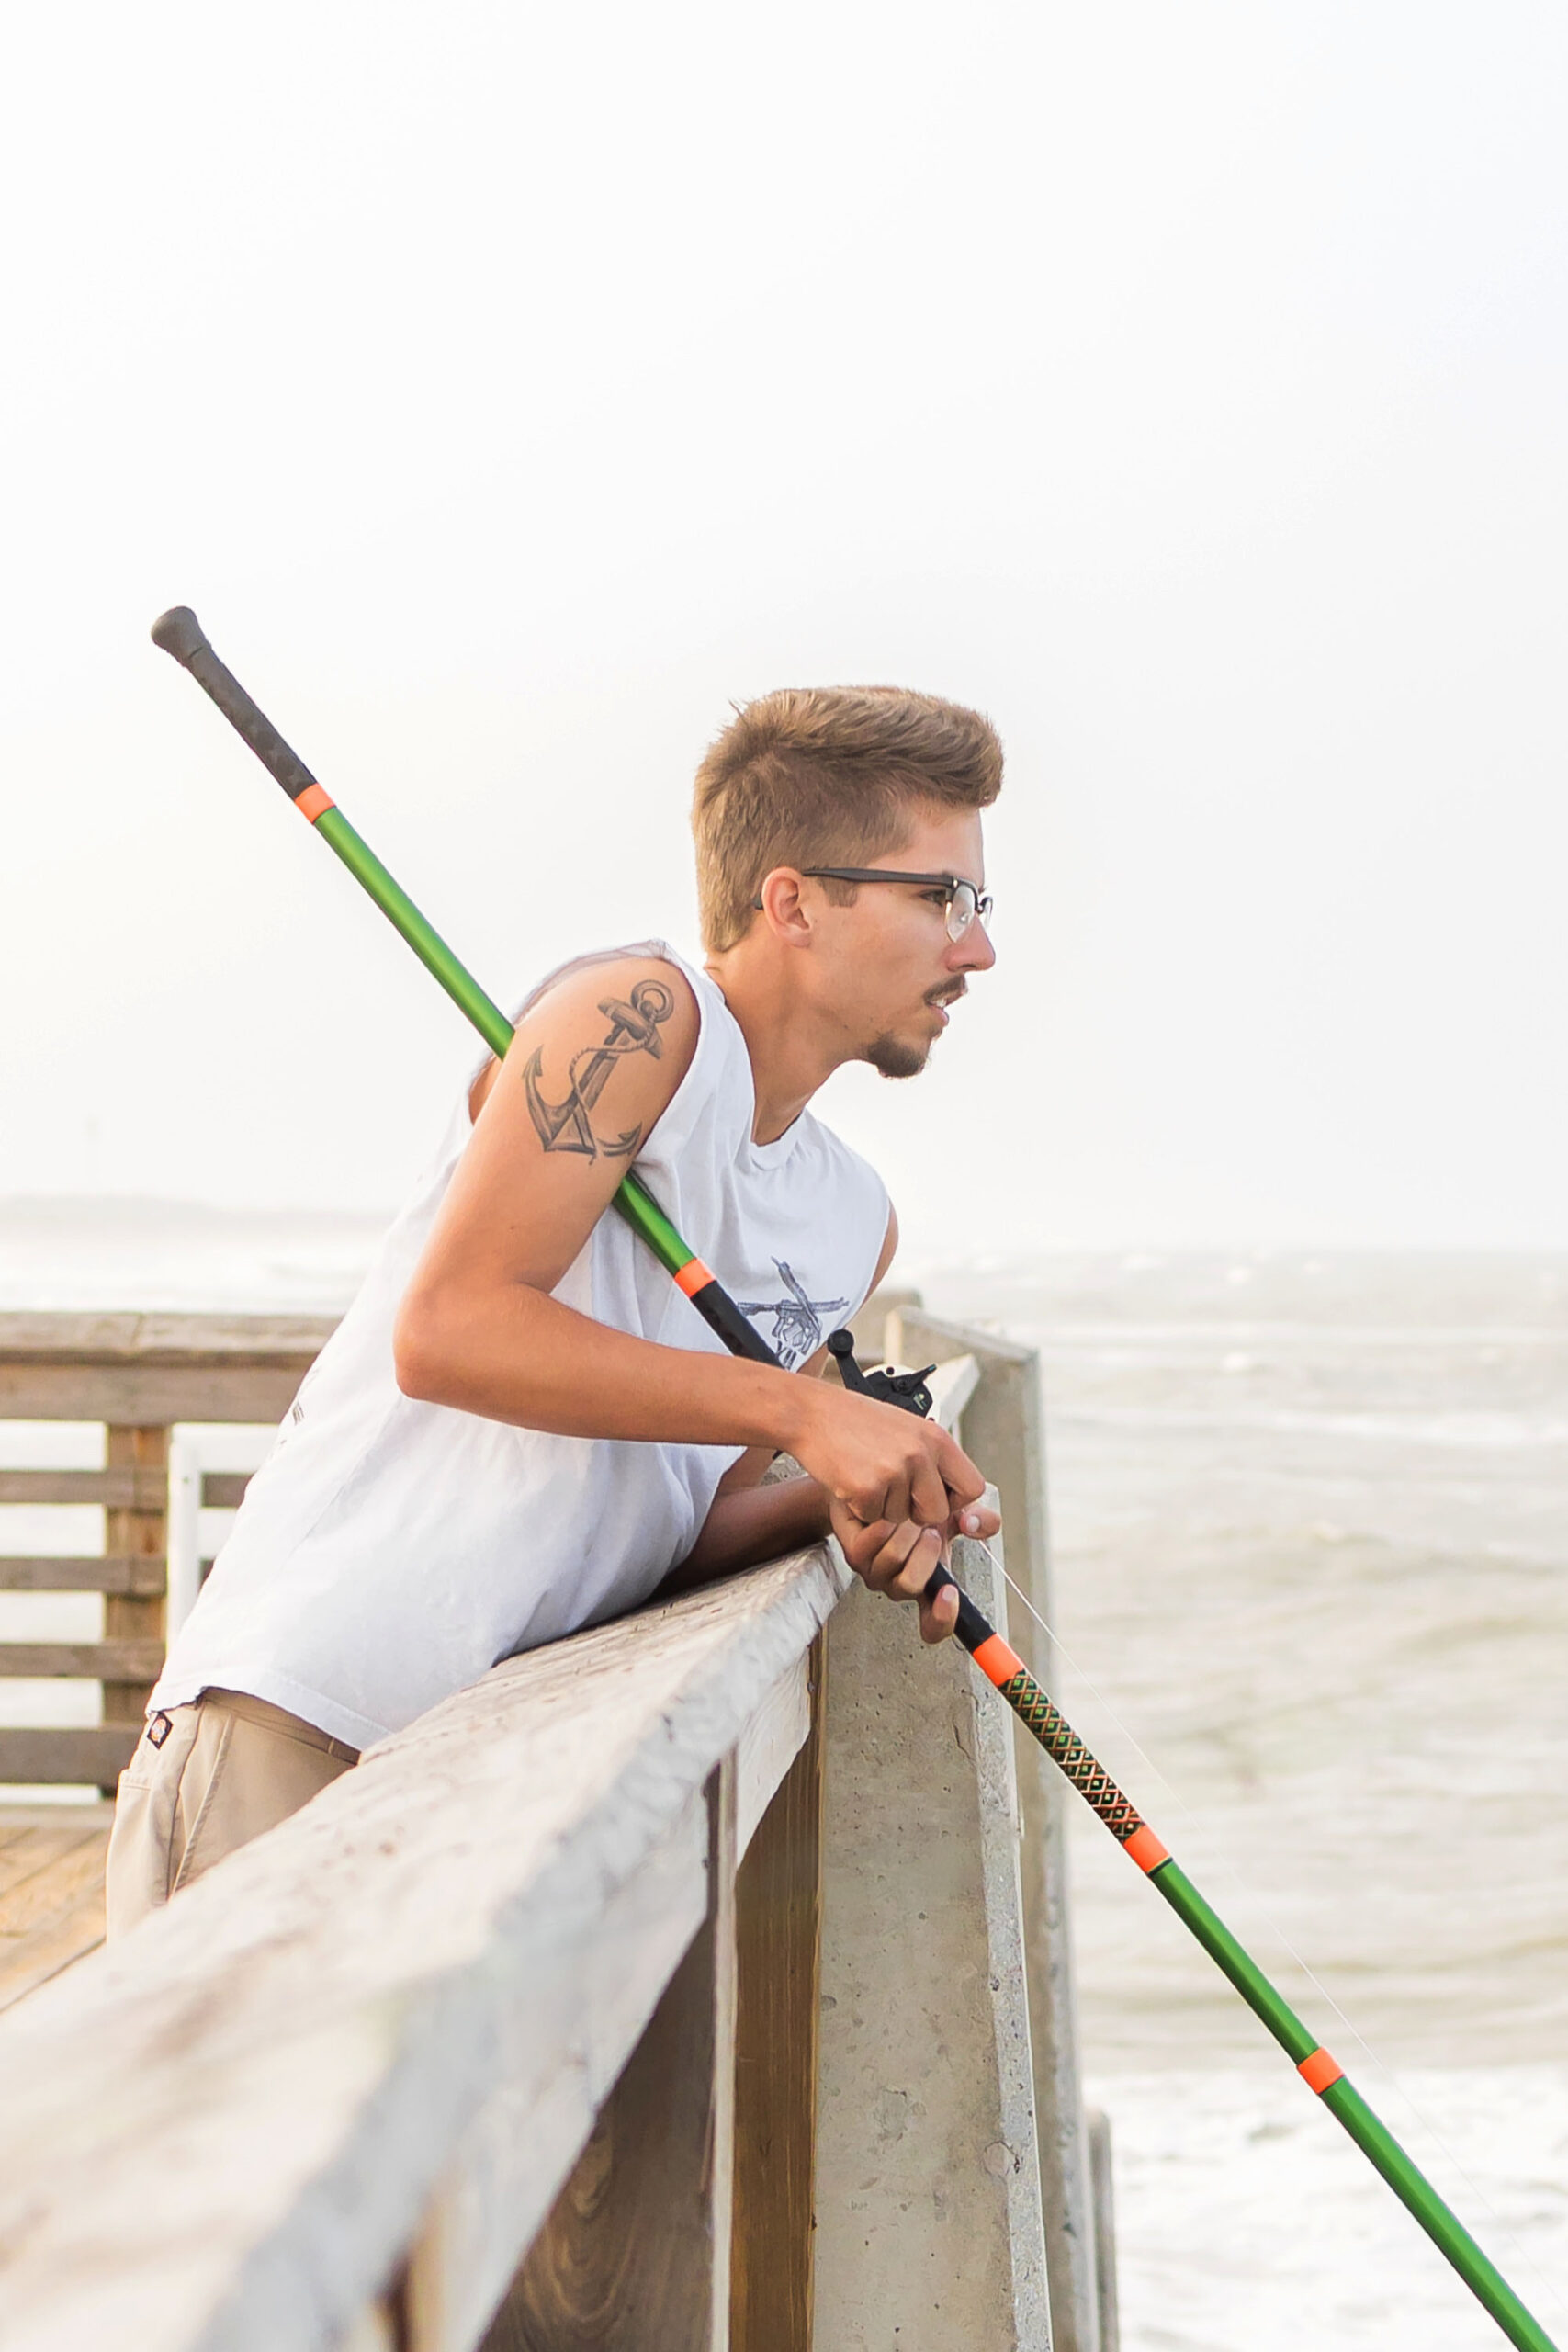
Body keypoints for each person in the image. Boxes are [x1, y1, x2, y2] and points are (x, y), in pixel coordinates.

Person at [105, 683, 1004, 1934]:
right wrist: (806, 1408)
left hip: (499, 1786)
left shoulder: (854, 1217)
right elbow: (455, 1328)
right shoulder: (636, 1017)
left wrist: (845, 1501)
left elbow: (672, 1529)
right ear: (792, 900)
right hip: (305, 1724)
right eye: (939, 897)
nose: (977, 949)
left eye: (979, 902)